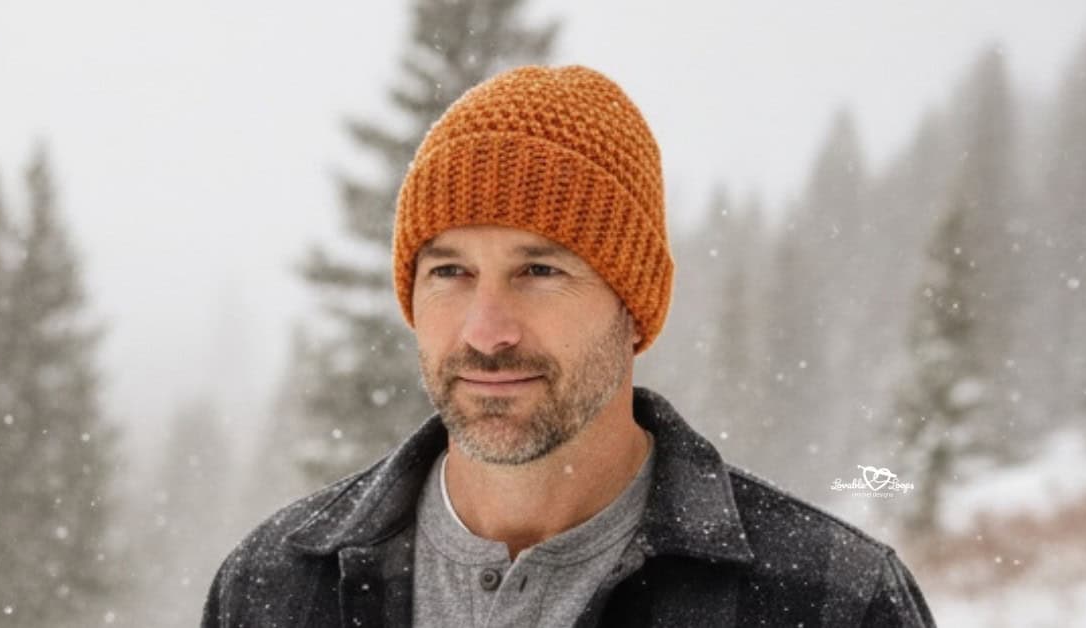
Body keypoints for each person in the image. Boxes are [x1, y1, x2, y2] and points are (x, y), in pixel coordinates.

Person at [202, 65, 936, 627]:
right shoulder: (275, 586)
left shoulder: (829, 600)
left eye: (540, 271)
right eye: (450, 272)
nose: (487, 331)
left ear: (631, 302)